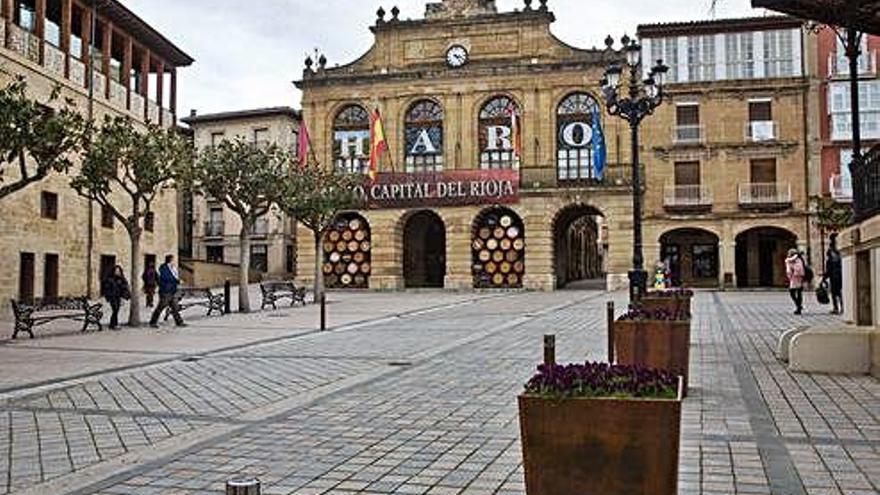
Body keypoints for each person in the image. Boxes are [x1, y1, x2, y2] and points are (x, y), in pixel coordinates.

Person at [149, 254, 186, 328]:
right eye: (173, 259)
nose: (174, 261)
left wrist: (177, 281)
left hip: (172, 290)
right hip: (165, 291)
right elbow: (166, 278)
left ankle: (179, 322)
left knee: (175, 307)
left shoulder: (172, 268)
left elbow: (173, 277)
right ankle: (153, 322)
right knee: (161, 307)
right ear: (170, 260)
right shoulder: (163, 268)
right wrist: (177, 281)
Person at [101, 265, 130, 329]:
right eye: (116, 271)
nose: (117, 272)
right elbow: (107, 288)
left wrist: (125, 295)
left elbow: (125, 287)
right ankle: (114, 324)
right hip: (112, 297)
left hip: (118, 297)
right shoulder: (110, 279)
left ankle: (113, 324)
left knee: (116, 310)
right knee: (115, 309)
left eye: (118, 271)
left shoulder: (122, 279)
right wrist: (108, 296)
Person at [824, 233, 844, 315]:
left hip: (834, 275)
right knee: (838, 292)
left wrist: (825, 276)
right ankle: (841, 307)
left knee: (835, 292)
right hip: (839, 274)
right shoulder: (838, 250)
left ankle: (837, 308)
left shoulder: (832, 251)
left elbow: (830, 266)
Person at [785, 248, 806, 315]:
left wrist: (790, 275)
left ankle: (798, 306)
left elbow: (790, 270)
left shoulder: (791, 260)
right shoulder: (798, 259)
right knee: (799, 292)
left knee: (792, 292)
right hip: (799, 278)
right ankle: (799, 307)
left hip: (795, 278)